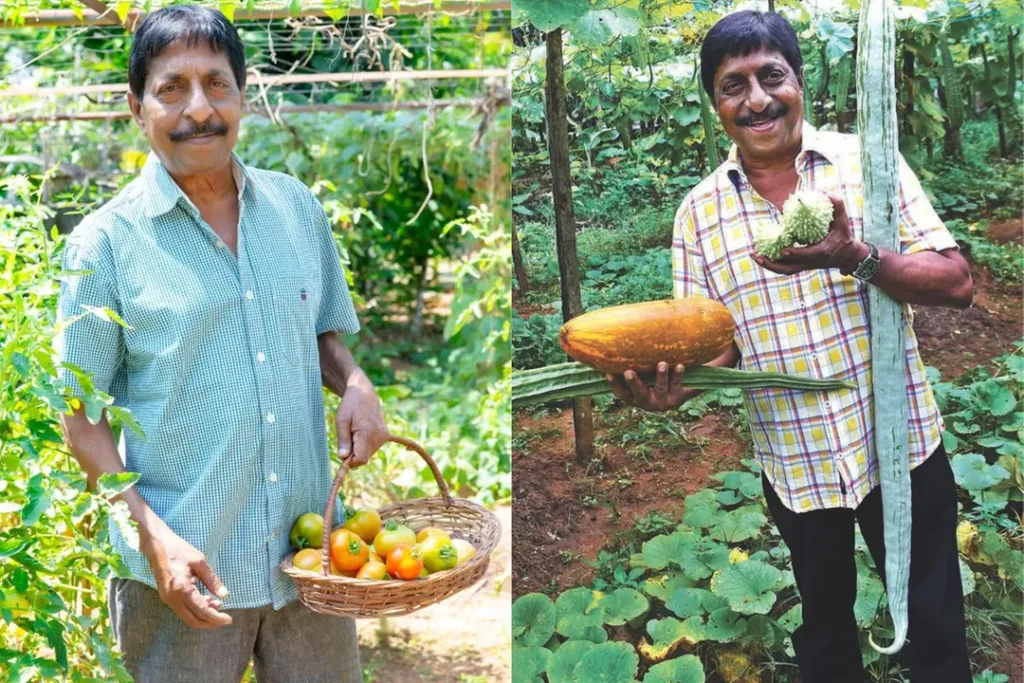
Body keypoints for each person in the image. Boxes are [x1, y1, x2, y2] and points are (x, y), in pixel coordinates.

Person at [606, 10, 973, 683]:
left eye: (771, 76)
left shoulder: (867, 162)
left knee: (936, 622)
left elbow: (956, 282)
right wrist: (668, 391)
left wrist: (853, 256)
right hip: (796, 463)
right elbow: (714, 349)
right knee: (826, 631)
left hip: (901, 443)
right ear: (714, 104)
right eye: (733, 85)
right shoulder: (698, 214)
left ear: (799, 81)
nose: (756, 99)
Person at [55, 6, 387, 682]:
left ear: (243, 95)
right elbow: (80, 419)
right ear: (137, 107)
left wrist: (356, 383)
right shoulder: (105, 243)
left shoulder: (295, 208)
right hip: (184, 571)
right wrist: (153, 540)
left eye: (216, 83)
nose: (199, 109)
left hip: (313, 559)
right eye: (171, 88)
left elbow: (318, 331)